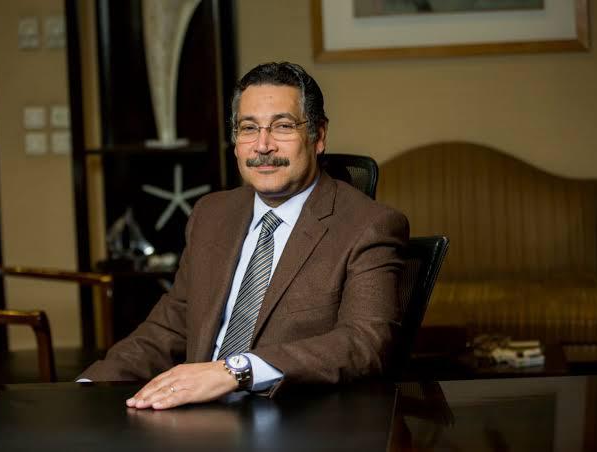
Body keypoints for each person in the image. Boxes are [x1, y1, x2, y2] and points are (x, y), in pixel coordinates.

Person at [79, 62, 409, 410]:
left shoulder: (368, 226)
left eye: (282, 126)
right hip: (196, 416)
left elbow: (366, 342)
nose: (262, 146)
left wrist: (235, 371)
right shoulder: (211, 214)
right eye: (248, 128)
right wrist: (86, 390)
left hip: (295, 415)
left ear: (319, 136)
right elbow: (172, 326)